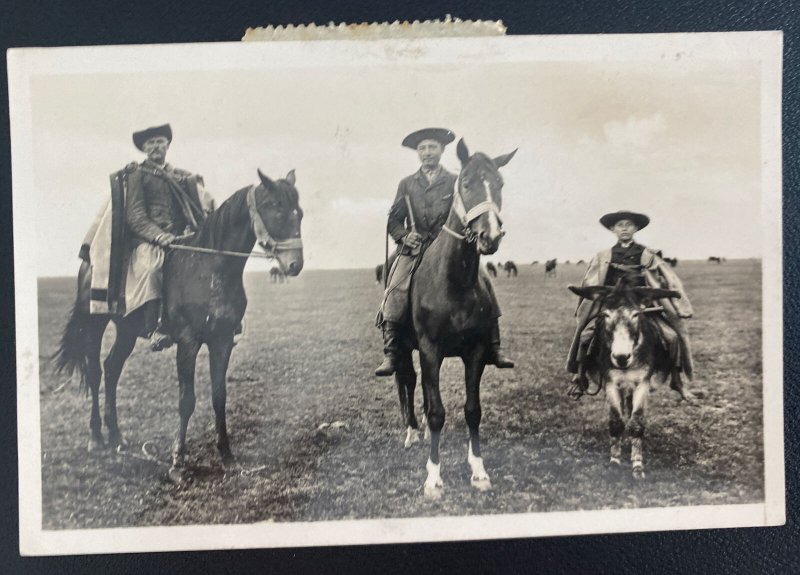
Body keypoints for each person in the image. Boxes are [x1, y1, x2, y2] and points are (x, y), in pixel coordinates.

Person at [375, 127, 514, 376]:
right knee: (395, 284)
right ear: (418, 153)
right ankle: (392, 350)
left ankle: (494, 346)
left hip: (450, 247)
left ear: (441, 150)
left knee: (484, 281)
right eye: (423, 148)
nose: (428, 152)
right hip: (416, 249)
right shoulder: (406, 184)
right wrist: (405, 236)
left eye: (433, 147)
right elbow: (393, 221)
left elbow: (469, 211)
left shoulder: (456, 180)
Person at [566, 211, 694, 399]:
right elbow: (591, 281)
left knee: (672, 337)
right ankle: (579, 378)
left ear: (635, 229)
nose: (624, 228)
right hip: (611, 306)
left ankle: (677, 381)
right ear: (613, 229)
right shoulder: (603, 257)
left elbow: (667, 279)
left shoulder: (648, 255)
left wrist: (670, 300)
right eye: (620, 225)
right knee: (586, 336)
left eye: (629, 225)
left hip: (641, 306)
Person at [124, 123, 210, 351]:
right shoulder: (137, 174)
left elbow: (195, 206)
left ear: (168, 145)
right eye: (150, 143)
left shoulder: (182, 176)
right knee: (153, 270)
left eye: (159, 142)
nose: (155, 146)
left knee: (209, 265)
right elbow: (135, 215)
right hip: (150, 240)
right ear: (143, 148)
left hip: (182, 238)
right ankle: (155, 329)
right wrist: (159, 236)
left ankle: (217, 321)